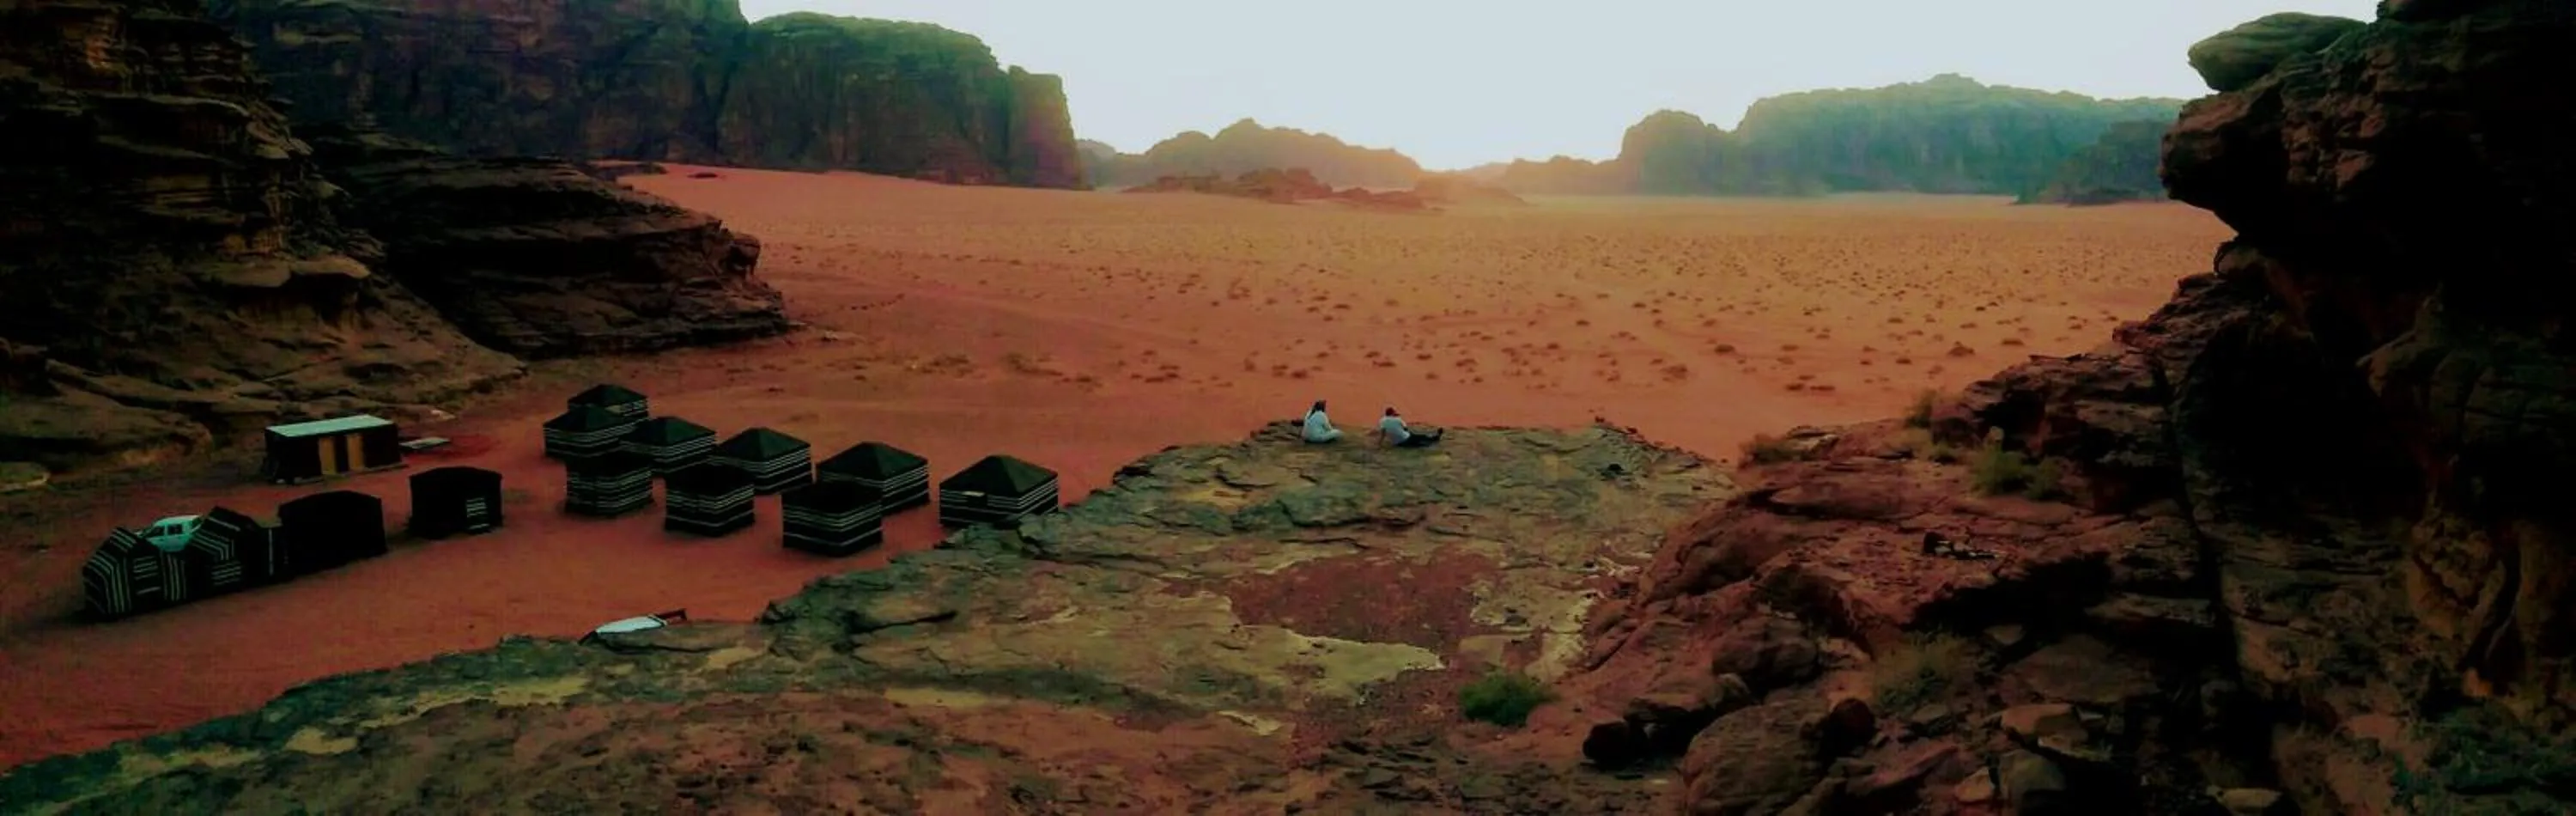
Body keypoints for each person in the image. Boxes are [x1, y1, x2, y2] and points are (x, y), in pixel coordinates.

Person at [1377, 406, 1443, 448]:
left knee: (1416, 444)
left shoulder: (1382, 421)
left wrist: (1379, 443)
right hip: (1406, 438)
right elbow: (1406, 429)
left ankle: (1430, 442)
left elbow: (1383, 433)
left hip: (1397, 443)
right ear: (1393, 414)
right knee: (1421, 437)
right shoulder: (1397, 419)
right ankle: (1435, 438)